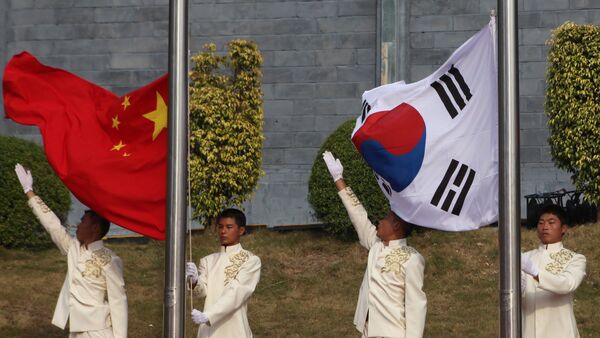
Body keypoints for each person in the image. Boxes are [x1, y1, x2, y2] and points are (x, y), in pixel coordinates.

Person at [14, 163, 127, 338]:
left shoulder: (110, 260)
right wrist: (29, 191)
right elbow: (53, 225)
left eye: (83, 221)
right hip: (75, 330)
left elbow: (118, 303)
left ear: (95, 228)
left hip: (99, 332)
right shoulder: (73, 248)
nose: (78, 225)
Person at [322, 151, 427, 338]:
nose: (379, 220)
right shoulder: (376, 245)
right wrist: (339, 179)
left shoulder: (412, 258)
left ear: (396, 225)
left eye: (386, 218)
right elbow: (359, 216)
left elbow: (416, 306)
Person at [186, 208, 261, 338]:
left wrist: (208, 315)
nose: (223, 231)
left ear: (241, 230)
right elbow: (201, 292)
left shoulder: (251, 260)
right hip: (208, 330)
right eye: (220, 227)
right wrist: (194, 281)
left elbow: (237, 293)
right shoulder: (207, 261)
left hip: (235, 329)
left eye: (229, 227)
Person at [521, 204, 586, 338]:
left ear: (563, 228)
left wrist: (535, 272)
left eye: (551, 222)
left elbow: (568, 284)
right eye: (541, 223)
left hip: (561, 332)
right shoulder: (525, 258)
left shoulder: (575, 259)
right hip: (529, 331)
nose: (545, 227)